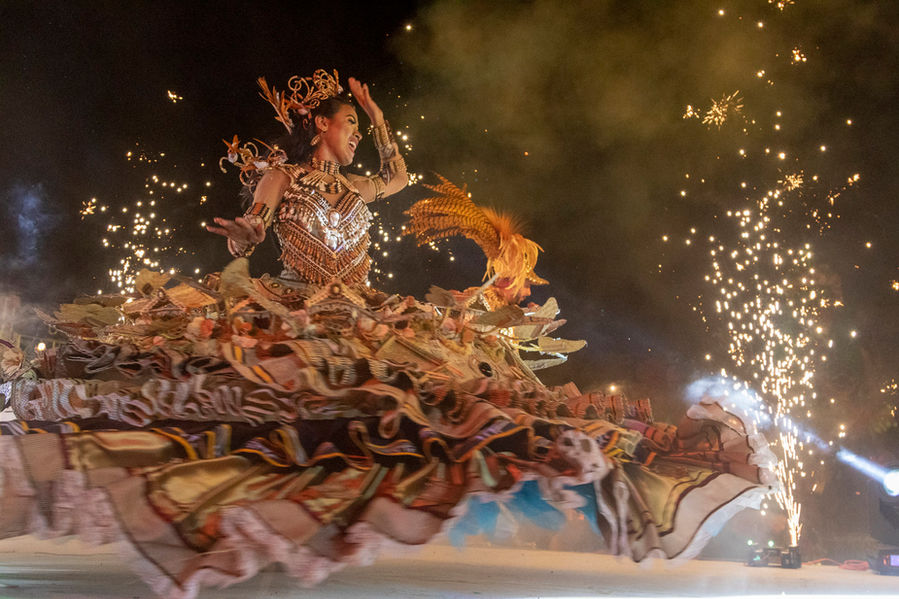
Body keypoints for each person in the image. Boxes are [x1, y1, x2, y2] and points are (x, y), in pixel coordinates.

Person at [0, 69, 775, 599]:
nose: (352, 137)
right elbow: (247, 238)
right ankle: (264, 528)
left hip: (368, 307)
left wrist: (374, 111)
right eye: (344, 123)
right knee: (283, 404)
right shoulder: (284, 173)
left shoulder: (363, 178)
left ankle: (324, 530)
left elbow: (400, 175)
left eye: (353, 125)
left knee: (442, 400)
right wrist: (239, 232)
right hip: (298, 305)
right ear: (316, 127)